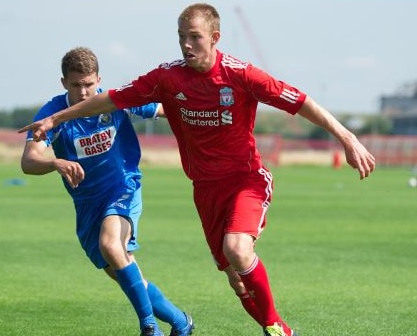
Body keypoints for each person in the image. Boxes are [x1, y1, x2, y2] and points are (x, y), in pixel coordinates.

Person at [19, 4, 376, 336]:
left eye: (194, 37)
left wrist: (347, 137)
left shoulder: (242, 75)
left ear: (214, 38)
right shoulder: (167, 78)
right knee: (235, 279)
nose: (186, 45)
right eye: (181, 38)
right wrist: (53, 120)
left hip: (243, 180)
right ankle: (194, 322)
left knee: (235, 250)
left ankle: (273, 327)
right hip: (203, 190)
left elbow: (299, 101)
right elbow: (113, 98)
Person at [19, 47, 194, 336]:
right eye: (76, 85)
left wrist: (202, 119)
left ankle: (149, 328)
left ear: (99, 79)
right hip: (88, 205)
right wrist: (54, 162)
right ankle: (180, 322)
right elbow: (28, 161)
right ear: (64, 83)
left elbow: (165, 109)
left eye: (89, 84)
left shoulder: (115, 101)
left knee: (112, 246)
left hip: (123, 187)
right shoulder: (53, 113)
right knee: (126, 272)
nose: (84, 92)